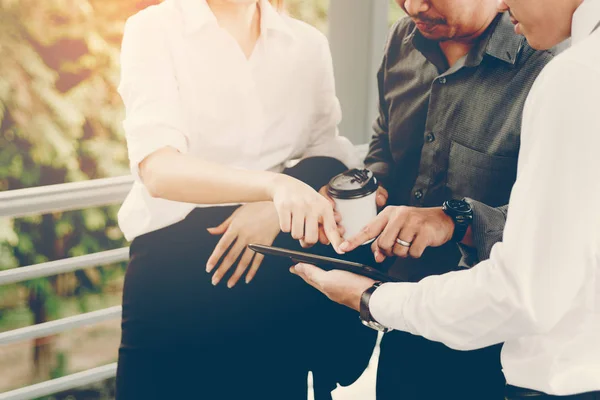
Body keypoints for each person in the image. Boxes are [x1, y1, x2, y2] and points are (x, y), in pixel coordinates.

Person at [293, 0, 600, 399]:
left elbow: (551, 243)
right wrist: (367, 190)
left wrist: (455, 218)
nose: (413, 6)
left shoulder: (563, 66)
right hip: (409, 322)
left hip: (494, 345)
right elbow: (384, 142)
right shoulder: (402, 40)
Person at [115, 0, 370, 399]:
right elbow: (158, 170)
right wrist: (272, 188)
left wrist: (275, 201)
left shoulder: (306, 44)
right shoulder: (155, 28)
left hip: (271, 271)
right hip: (173, 278)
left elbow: (329, 150)